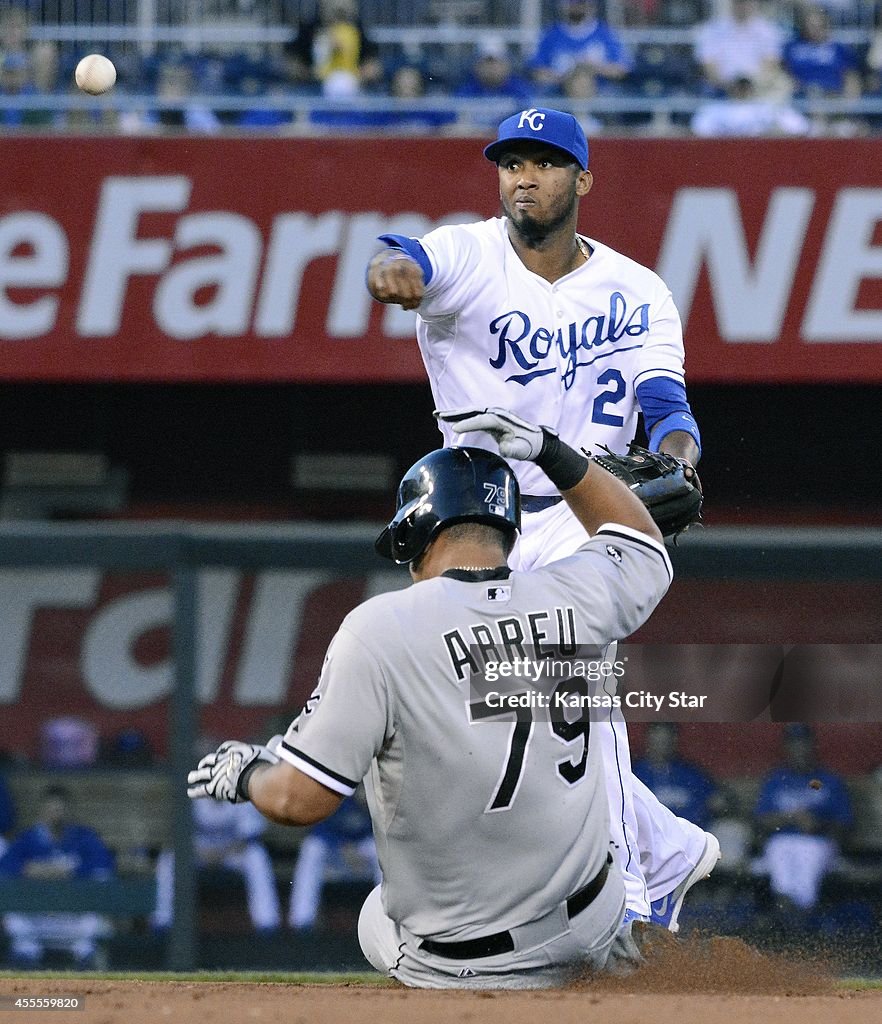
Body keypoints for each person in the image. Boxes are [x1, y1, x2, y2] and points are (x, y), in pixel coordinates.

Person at [365, 106, 718, 932]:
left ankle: (630, 893)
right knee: (493, 717)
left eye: (546, 162)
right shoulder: (470, 252)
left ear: (583, 179)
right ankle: (665, 846)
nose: (524, 176)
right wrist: (391, 270)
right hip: (481, 514)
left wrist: (677, 461)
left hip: (582, 506)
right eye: (512, 162)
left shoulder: (638, 288)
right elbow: (405, 255)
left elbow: (666, 406)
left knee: (575, 685)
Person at [189, 410, 679, 988]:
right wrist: (555, 453)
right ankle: (652, 893)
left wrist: (247, 774)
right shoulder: (575, 591)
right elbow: (643, 543)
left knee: (378, 914)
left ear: (417, 535)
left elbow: (299, 801)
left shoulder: (381, 629)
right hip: (589, 928)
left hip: (472, 964)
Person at [152, 764, 280, 933]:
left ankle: (267, 923)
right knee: (169, 859)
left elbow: (249, 839)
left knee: (256, 857)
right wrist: (202, 853)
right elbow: (178, 836)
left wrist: (220, 854)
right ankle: (163, 921)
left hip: (231, 853)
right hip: (198, 853)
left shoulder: (242, 793)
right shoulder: (193, 794)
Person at [0, 785, 114, 968]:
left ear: (69, 811)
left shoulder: (83, 837)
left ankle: (91, 982)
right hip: (38, 915)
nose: (55, 814)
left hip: (73, 916)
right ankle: (23, 980)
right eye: (51, 809)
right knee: (16, 923)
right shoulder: (28, 839)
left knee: (94, 924)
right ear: (42, 811)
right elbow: (5, 866)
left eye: (60, 809)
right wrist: (29, 869)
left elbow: (104, 864)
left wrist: (70, 870)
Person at [753, 724, 852, 916]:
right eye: (793, 744)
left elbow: (845, 823)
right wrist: (790, 818)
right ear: (786, 748)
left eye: (803, 743)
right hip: (781, 840)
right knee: (779, 852)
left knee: (807, 858)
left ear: (812, 746)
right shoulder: (775, 780)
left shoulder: (829, 780)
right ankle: (794, 920)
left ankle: (795, 920)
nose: (799, 749)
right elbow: (760, 821)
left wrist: (817, 824)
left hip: (818, 842)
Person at [288, 793, 380, 930]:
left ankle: (386, 921)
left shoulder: (381, 800)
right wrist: (344, 847)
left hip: (363, 857)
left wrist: (355, 849)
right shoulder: (335, 795)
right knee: (312, 848)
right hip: (335, 857)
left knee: (383, 852)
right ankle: (302, 923)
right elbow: (319, 830)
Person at [529, 0, 633, 94]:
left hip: (601, 92)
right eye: (571, 4)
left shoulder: (606, 33)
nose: (576, 7)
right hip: (560, 92)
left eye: (581, 3)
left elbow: (622, 69)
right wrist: (567, 78)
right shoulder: (550, 34)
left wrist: (592, 68)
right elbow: (537, 72)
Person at [632, 723, 721, 830]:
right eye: (656, 742)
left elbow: (715, 802)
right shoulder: (634, 773)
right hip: (647, 836)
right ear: (647, 742)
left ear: (674, 742)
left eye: (665, 742)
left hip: (691, 834)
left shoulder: (691, 773)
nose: (660, 747)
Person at [695, 0, 784, 96]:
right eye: (739, 2)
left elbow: (770, 65)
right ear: (732, 3)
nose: (743, 6)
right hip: (721, 90)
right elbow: (708, 67)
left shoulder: (769, 32)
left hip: (758, 91)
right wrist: (731, 87)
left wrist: (749, 88)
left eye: (746, 2)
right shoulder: (711, 31)